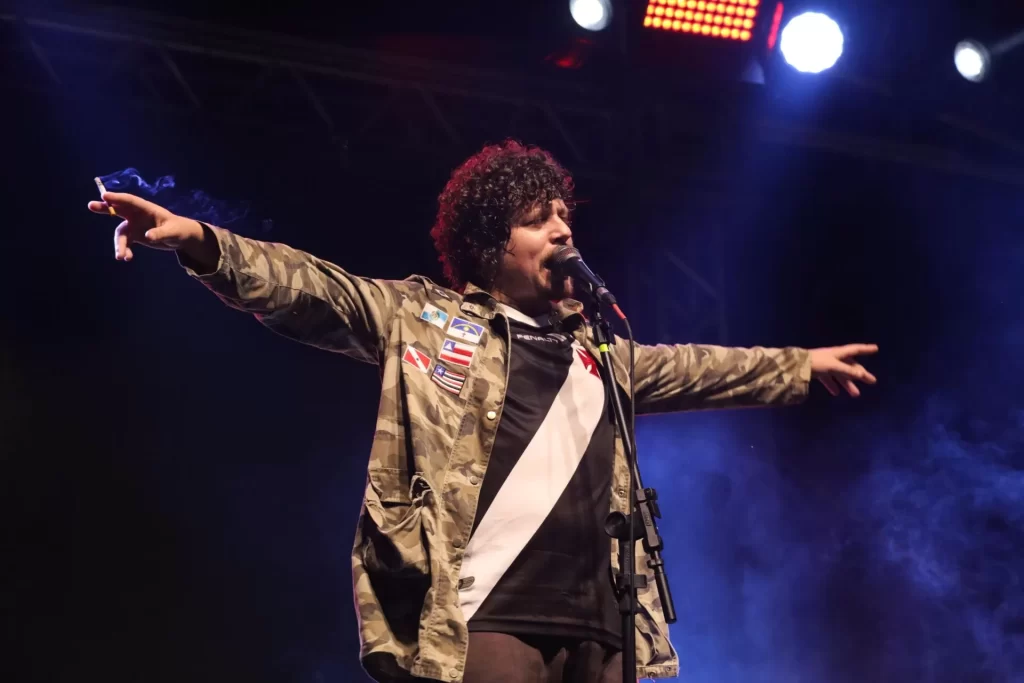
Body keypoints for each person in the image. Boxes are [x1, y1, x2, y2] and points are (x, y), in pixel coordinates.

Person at [88, 140, 877, 683]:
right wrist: (198, 240)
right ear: (491, 244)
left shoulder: (602, 352)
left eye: (565, 216)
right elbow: (315, 289)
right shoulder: (428, 320)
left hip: (607, 626)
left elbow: (700, 367)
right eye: (538, 218)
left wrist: (801, 366)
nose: (563, 229)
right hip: (488, 613)